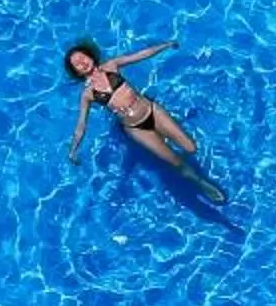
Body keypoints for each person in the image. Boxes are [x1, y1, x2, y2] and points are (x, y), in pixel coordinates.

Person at [64, 39, 225, 203]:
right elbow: (81, 124)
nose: (82, 62)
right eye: (76, 64)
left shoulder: (111, 66)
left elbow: (141, 55)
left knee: (191, 147)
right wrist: (73, 150)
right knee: (175, 162)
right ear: (76, 72)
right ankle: (201, 183)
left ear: (90, 56)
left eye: (82, 57)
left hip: (153, 111)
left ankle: (165, 141)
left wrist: (165, 45)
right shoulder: (88, 94)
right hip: (136, 129)